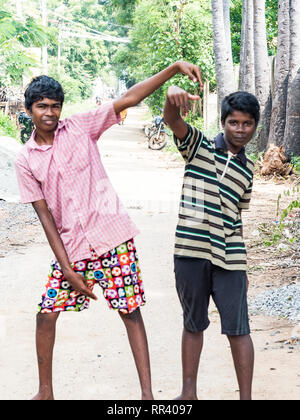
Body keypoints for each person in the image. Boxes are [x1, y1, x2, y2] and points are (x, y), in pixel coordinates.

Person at [14, 61, 202, 401]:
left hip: (112, 239)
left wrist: (173, 69)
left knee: (130, 314)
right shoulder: (26, 159)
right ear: (29, 110)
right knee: (45, 315)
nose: (50, 113)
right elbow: (45, 217)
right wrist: (68, 270)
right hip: (72, 249)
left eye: (55, 106)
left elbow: (129, 98)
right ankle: (45, 393)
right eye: (42, 106)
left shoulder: (81, 126)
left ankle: (147, 395)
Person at [164, 85, 260, 400]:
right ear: (223, 122)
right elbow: (172, 119)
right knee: (193, 324)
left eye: (247, 123)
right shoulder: (199, 147)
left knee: (239, 328)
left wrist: (243, 265)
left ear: (255, 126)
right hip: (190, 253)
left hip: (230, 257)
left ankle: (245, 397)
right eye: (234, 122)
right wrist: (171, 96)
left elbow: (237, 218)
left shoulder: (248, 170)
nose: (241, 129)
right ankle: (188, 393)